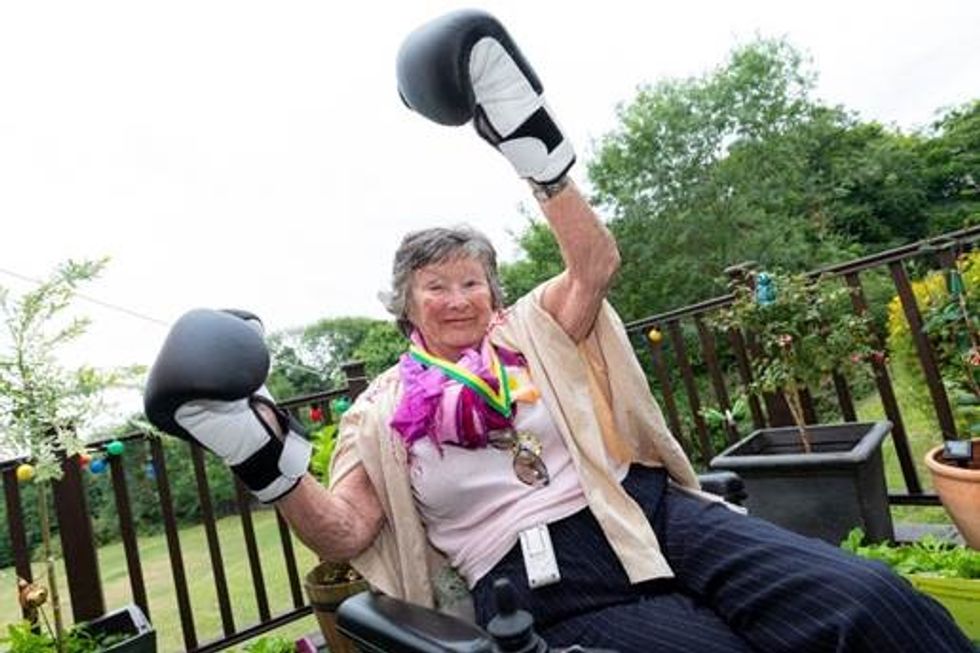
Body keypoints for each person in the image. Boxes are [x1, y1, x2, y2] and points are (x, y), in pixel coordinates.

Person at [144, 10, 975, 652]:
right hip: (532, 571)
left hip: (643, 511)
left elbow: (595, 263)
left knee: (872, 601)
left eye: (474, 280)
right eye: (438, 285)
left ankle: (530, 136)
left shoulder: (530, 330)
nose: (461, 297)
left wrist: (534, 159)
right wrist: (270, 468)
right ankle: (249, 437)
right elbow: (346, 531)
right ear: (407, 305)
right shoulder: (376, 408)